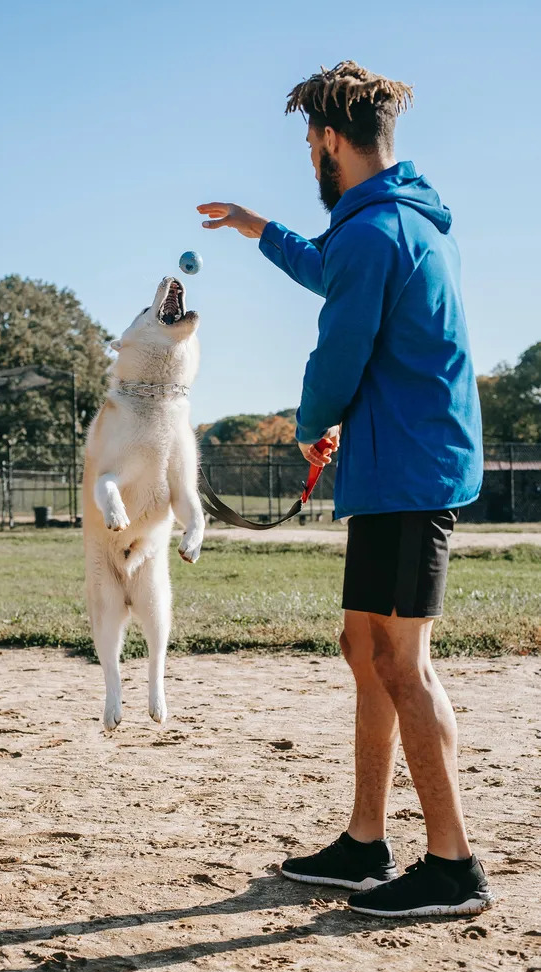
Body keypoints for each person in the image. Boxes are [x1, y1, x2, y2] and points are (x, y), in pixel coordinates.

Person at [197, 60, 493, 918]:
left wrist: (308, 419)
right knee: (364, 650)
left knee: (403, 662)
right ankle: (366, 839)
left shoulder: (375, 234)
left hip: (407, 473)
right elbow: (333, 267)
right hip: (393, 466)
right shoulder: (393, 223)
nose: (309, 157)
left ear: (329, 141)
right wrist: (261, 230)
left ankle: (454, 864)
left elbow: (338, 351)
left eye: (308, 144)